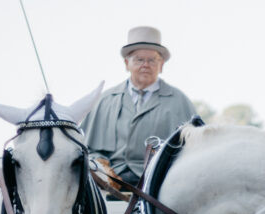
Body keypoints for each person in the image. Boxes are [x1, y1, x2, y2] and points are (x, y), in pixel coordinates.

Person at [81, 26, 196, 187]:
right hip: (110, 187)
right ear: (127, 63)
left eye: (152, 60)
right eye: (139, 59)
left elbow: (192, 152)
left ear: (161, 64)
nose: (145, 65)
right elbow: (86, 150)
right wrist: (101, 169)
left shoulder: (180, 101)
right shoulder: (105, 99)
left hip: (161, 185)